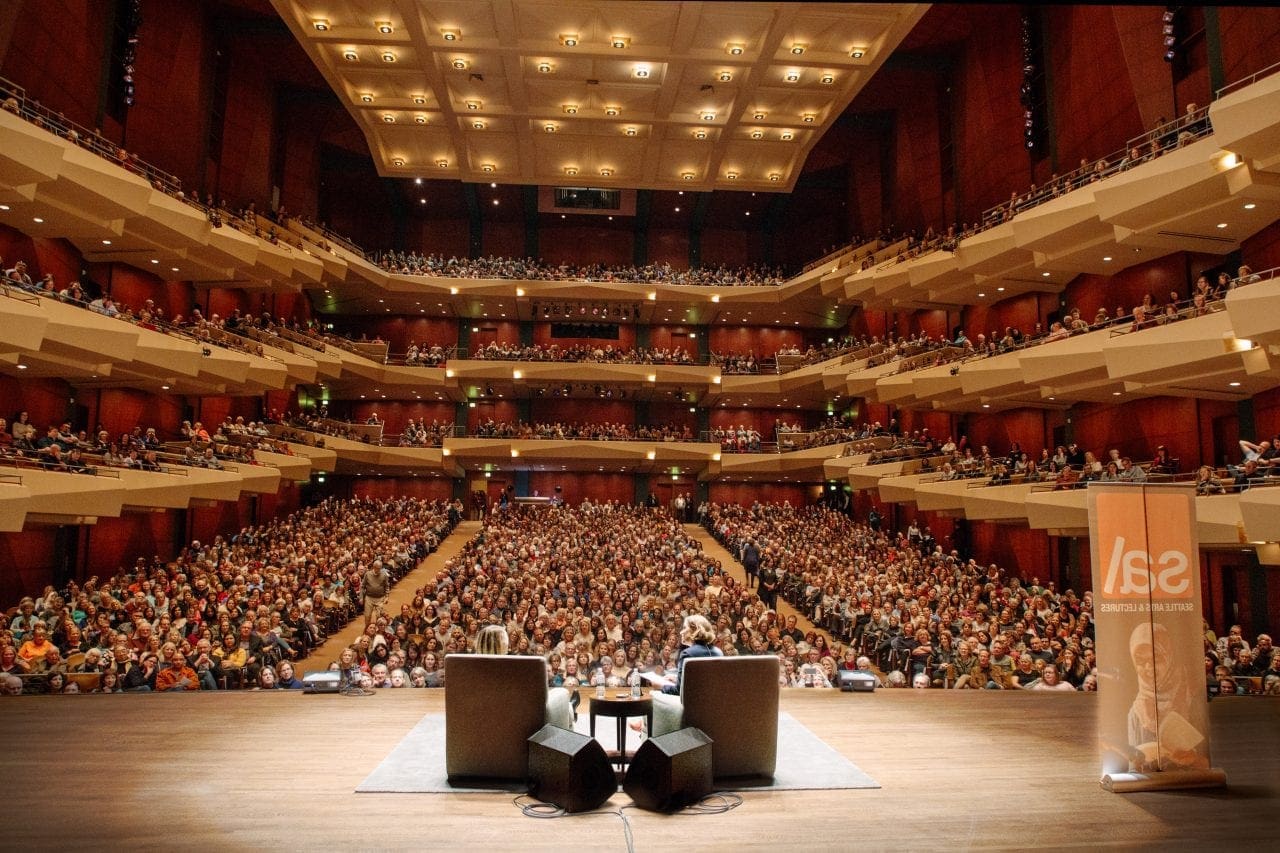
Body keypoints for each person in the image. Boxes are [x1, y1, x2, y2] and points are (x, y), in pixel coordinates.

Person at [361, 559, 391, 629]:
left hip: (380, 598)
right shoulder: (368, 574)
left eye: (380, 568)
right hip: (369, 597)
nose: (378, 570)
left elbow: (387, 586)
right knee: (367, 616)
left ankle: (378, 631)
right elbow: (362, 586)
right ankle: (367, 630)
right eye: (377, 568)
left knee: (379, 616)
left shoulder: (384, 575)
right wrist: (361, 597)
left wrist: (387, 597)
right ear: (374, 567)